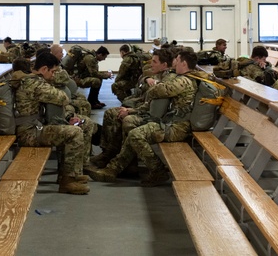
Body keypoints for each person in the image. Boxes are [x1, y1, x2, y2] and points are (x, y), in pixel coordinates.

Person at [90, 48, 199, 187]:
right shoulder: (179, 78)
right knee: (134, 133)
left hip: (177, 127)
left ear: (183, 64)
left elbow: (156, 91)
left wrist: (153, 84)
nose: (174, 64)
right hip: (168, 122)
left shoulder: (183, 81)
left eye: (176, 61)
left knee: (135, 134)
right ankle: (113, 168)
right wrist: (149, 80)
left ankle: (156, 170)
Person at [14, 50, 91, 195]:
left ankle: (71, 173)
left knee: (81, 123)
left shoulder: (35, 81)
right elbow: (63, 98)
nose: (54, 75)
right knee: (74, 132)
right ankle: (67, 182)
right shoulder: (35, 84)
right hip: (30, 132)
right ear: (44, 69)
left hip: (37, 127)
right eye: (53, 71)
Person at [94, 47, 174, 168]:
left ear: (164, 65)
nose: (150, 64)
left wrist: (131, 110)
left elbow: (153, 106)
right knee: (110, 113)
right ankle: (109, 152)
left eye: (154, 62)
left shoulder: (167, 82)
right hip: (145, 108)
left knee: (122, 118)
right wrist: (146, 78)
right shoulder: (159, 75)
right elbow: (143, 80)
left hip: (154, 116)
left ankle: (127, 164)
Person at [49, 43, 92, 116]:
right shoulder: (52, 67)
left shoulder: (58, 64)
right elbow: (63, 78)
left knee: (83, 99)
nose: (63, 54)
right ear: (54, 53)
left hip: (69, 94)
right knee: (84, 105)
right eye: (61, 52)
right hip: (62, 98)